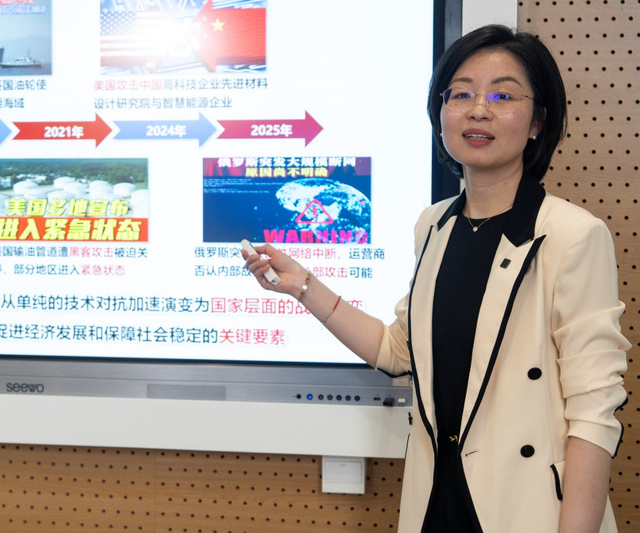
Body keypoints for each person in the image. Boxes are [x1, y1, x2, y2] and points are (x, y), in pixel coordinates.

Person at [242, 24, 629, 533]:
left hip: (525, 507)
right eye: (461, 94)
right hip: (436, 500)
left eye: (502, 95)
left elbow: (594, 412)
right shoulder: (434, 224)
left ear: (538, 121)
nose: (478, 110)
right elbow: (398, 351)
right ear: (440, 111)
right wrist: (302, 286)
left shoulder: (572, 234)